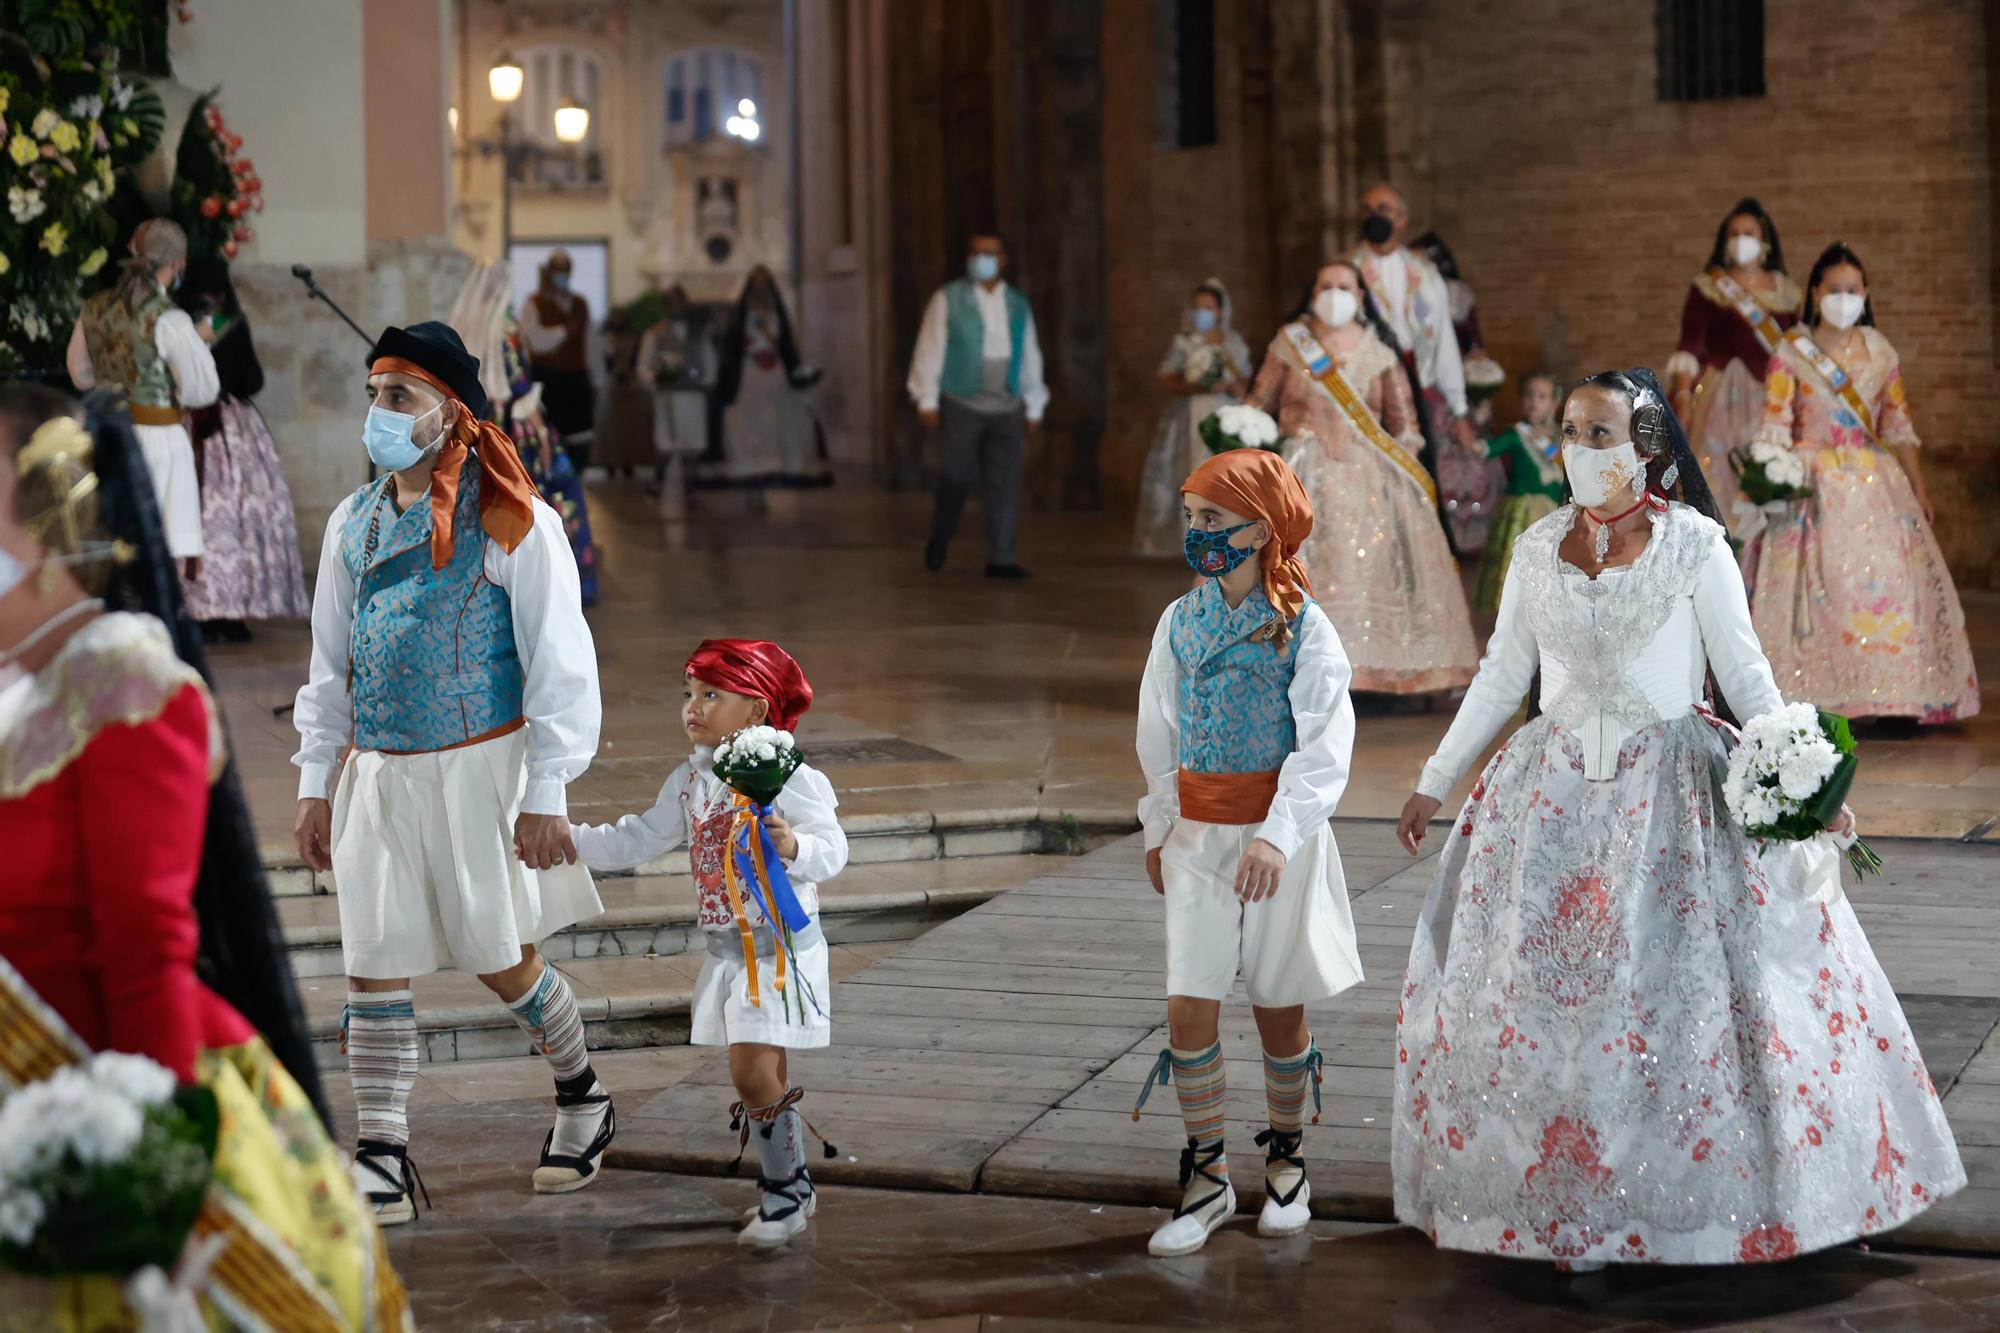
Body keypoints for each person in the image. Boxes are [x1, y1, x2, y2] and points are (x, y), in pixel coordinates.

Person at [1389, 368, 1965, 1269]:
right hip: (1550, 800)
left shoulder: (1695, 545)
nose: (1583, 448)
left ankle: (1696, 1215)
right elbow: (1504, 674)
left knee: (1684, 1006)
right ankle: (1558, 1210)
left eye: (1603, 432)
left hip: (1676, 798)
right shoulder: (1538, 547)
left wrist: (1799, 780)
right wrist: (1436, 776)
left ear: (1648, 446)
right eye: (1572, 432)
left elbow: (1746, 676)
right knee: (1549, 1011)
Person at [0, 385, 412, 1330]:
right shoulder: (15, 690)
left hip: (104, 1115)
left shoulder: (124, 682)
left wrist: (153, 1193)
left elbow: (144, 947)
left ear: (55, 521)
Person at [291, 322, 610, 1225]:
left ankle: (583, 1092)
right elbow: (328, 667)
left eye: (399, 397)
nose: (379, 413)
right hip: (381, 775)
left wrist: (547, 790)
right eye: (373, 394)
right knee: (373, 955)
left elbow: (561, 661)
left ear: (449, 413)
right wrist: (318, 777)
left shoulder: (513, 519)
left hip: (478, 769)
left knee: (499, 955)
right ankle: (383, 1149)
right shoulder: (351, 524)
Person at [1132, 448, 1362, 1258]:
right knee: (1188, 1000)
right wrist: (1161, 824)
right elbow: (1158, 728)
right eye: (1190, 519)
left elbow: (1326, 741)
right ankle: (1207, 1174)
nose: (1197, 534)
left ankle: (1288, 1160)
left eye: (1212, 522)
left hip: (1273, 841)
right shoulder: (1180, 620)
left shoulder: (1302, 624)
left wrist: (1278, 833)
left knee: (1276, 1002)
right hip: (1197, 834)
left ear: (1262, 530)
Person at [571, 639, 846, 1250]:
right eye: (688, 694)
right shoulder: (690, 780)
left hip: (780, 952)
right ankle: (793, 1185)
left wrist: (796, 848)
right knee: (766, 1071)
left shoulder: (791, 778)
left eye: (711, 694)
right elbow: (637, 838)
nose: (692, 706)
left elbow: (835, 848)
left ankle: (785, 1192)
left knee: (750, 1073)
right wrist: (568, 838)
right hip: (729, 950)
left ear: (756, 710)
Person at [1750, 243, 1979, 723]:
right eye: (1833, 290)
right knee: (1825, 585)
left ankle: (1897, 694)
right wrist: (1774, 477)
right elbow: (1774, 422)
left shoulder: (1880, 350)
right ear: (1815, 293)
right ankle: (1826, 691)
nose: (1843, 298)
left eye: (1852, 290)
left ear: (1866, 293)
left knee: (1888, 581)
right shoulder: (1792, 350)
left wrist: (1919, 487)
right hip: (1812, 484)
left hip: (1878, 483)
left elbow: (1897, 424)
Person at [1246, 261, 1479, 695]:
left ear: (1360, 297)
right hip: (1299, 474)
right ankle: (1286, 667)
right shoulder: (1290, 344)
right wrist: (1244, 434)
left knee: (1368, 568)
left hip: (1368, 476)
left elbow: (1404, 421)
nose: (1334, 293)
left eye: (1344, 286)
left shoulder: (1378, 351)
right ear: (1313, 292)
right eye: (1326, 285)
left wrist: (1402, 459)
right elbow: (1258, 402)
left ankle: (1372, 672)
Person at [64, 219, 218, 566]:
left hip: (106, 434)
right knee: (156, 553)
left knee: (110, 547)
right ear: (177, 262)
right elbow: (202, 389)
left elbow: (80, 374)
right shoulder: (170, 319)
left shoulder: (94, 307)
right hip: (158, 439)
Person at [173, 259, 309, 642]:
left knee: (195, 512)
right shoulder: (231, 321)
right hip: (232, 427)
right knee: (238, 515)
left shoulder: (175, 321)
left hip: (186, 425)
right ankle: (232, 614)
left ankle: (194, 609)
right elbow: (252, 377)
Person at [908, 233, 1048, 579]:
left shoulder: (1017, 303)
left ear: (1003, 259)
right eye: (977, 253)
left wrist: (1034, 403)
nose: (984, 258)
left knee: (1003, 481)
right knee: (956, 474)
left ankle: (1001, 556)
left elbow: (1029, 352)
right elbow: (931, 347)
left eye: (991, 253)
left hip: (1006, 404)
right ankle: (941, 535)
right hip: (962, 400)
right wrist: (926, 396)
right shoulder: (948, 298)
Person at [1667, 197, 1802, 517]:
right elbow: (1689, 345)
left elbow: (1796, 351)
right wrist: (1683, 396)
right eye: (1734, 233)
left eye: (1750, 233)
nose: (1742, 239)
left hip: (1772, 399)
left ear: (1765, 242)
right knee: (1716, 476)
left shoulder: (1787, 292)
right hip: (1718, 397)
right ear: (1725, 242)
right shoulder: (1709, 287)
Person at [1349, 187, 1480, 459]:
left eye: (1383, 209)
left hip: (1416, 385)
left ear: (1402, 219)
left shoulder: (1427, 275)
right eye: (1367, 210)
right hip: (1365, 392)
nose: (1374, 216)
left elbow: (1444, 340)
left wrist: (1459, 409)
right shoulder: (1346, 271)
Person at [1132, 279, 1252, 557]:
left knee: (1227, 473)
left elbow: (1245, 375)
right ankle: (1195, 537)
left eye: (1209, 307)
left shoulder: (1233, 342)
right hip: (1194, 413)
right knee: (1196, 472)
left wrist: (1235, 387)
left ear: (1221, 311)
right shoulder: (1185, 342)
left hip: (1228, 414)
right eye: (1198, 307)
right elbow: (1166, 375)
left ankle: (1228, 534)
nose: (1203, 313)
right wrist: (1196, 386)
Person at [1411, 230, 1507, 555]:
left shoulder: (1456, 295)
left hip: (1453, 385)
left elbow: (1473, 342)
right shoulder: (1404, 295)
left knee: (1467, 456)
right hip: (1418, 385)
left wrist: (1478, 379)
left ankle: (1467, 536)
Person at [713, 267, 829, 505]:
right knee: (748, 427)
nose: (760, 289)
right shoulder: (741, 316)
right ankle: (751, 482)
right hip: (748, 376)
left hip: (774, 375)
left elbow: (784, 344)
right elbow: (732, 346)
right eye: (756, 284)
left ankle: (772, 477)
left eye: (764, 284)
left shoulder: (777, 314)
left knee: (775, 427)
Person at [1471, 372, 1566, 613]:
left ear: (1554, 403)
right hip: (1521, 515)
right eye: (1529, 395)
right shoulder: (1517, 434)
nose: (1534, 401)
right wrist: (1472, 425)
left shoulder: (1563, 437)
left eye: (1542, 396)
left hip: (1556, 515)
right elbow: (1486, 449)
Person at [636, 284, 717, 517]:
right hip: (668, 397)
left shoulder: (699, 333)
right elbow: (644, 366)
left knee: (692, 444)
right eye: (670, 303)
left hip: (692, 397)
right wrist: (657, 378)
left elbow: (708, 359)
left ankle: (691, 488)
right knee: (666, 442)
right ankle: (659, 482)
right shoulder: (655, 334)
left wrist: (706, 380)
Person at [520, 249, 596, 469]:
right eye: (557, 270)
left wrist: (595, 379)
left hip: (576, 379)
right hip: (547, 379)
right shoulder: (534, 302)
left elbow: (590, 344)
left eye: (565, 270)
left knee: (578, 440)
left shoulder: (580, 304)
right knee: (548, 437)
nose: (561, 275)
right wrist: (563, 331)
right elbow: (534, 339)